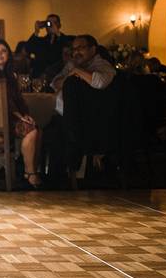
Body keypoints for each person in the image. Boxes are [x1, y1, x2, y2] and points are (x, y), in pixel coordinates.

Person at [49, 35, 117, 178]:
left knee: (58, 130)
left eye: (81, 48)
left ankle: (71, 170)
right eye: (74, 49)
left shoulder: (102, 65)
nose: (76, 52)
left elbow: (100, 82)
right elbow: (55, 84)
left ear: (93, 49)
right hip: (68, 116)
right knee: (50, 128)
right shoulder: (72, 65)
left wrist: (77, 72)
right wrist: (72, 73)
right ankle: (56, 176)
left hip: (92, 121)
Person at [0, 40, 44, 187]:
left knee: (38, 130)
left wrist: (25, 114)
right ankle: (30, 173)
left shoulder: (10, 74)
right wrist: (19, 116)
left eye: (3, 51)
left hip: (8, 118)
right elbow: (0, 99)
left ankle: (27, 170)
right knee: (31, 131)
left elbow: (19, 99)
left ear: (8, 55)